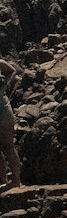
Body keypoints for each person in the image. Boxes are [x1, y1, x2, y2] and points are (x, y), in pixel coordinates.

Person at [0, 59, 23, 191]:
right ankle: (4, 180)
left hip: (3, 110)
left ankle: (15, 181)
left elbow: (12, 70)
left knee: (8, 146)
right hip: (3, 108)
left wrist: (5, 85)